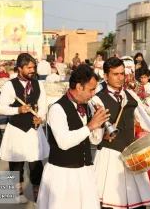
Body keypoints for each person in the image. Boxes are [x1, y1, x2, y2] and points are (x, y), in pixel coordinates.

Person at [37, 65, 109, 209]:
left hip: (84, 172)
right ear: (79, 87)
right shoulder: (57, 108)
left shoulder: (88, 106)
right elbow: (64, 142)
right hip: (63, 174)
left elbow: (94, 140)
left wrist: (99, 126)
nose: (93, 94)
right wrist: (90, 126)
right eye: (91, 89)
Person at [94, 57, 150, 209]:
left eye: (122, 74)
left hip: (131, 153)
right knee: (110, 202)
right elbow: (95, 127)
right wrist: (101, 135)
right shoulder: (98, 98)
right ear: (105, 76)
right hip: (110, 154)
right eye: (115, 74)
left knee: (136, 202)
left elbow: (145, 118)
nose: (120, 78)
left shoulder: (130, 94)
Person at [0, 53, 50, 204]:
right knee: (16, 164)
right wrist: (18, 110)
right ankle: (17, 194)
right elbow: (1, 108)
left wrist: (40, 117)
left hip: (34, 131)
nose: (32, 70)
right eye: (29, 67)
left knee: (36, 165)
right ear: (20, 68)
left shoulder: (38, 84)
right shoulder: (9, 85)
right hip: (16, 130)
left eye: (33, 67)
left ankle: (38, 196)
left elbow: (43, 106)